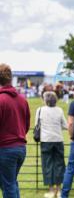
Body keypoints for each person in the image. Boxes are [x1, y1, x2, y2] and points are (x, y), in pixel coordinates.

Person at [0, 63, 31, 198]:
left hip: (5, 148)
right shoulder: (22, 100)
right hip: (20, 147)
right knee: (11, 183)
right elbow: (27, 124)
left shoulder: (1, 100)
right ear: (10, 78)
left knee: (8, 186)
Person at [35, 91, 67, 198]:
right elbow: (65, 125)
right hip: (58, 139)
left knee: (47, 164)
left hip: (46, 140)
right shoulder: (59, 110)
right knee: (59, 164)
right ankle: (59, 189)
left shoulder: (40, 110)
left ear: (45, 100)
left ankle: (51, 190)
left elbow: (36, 125)